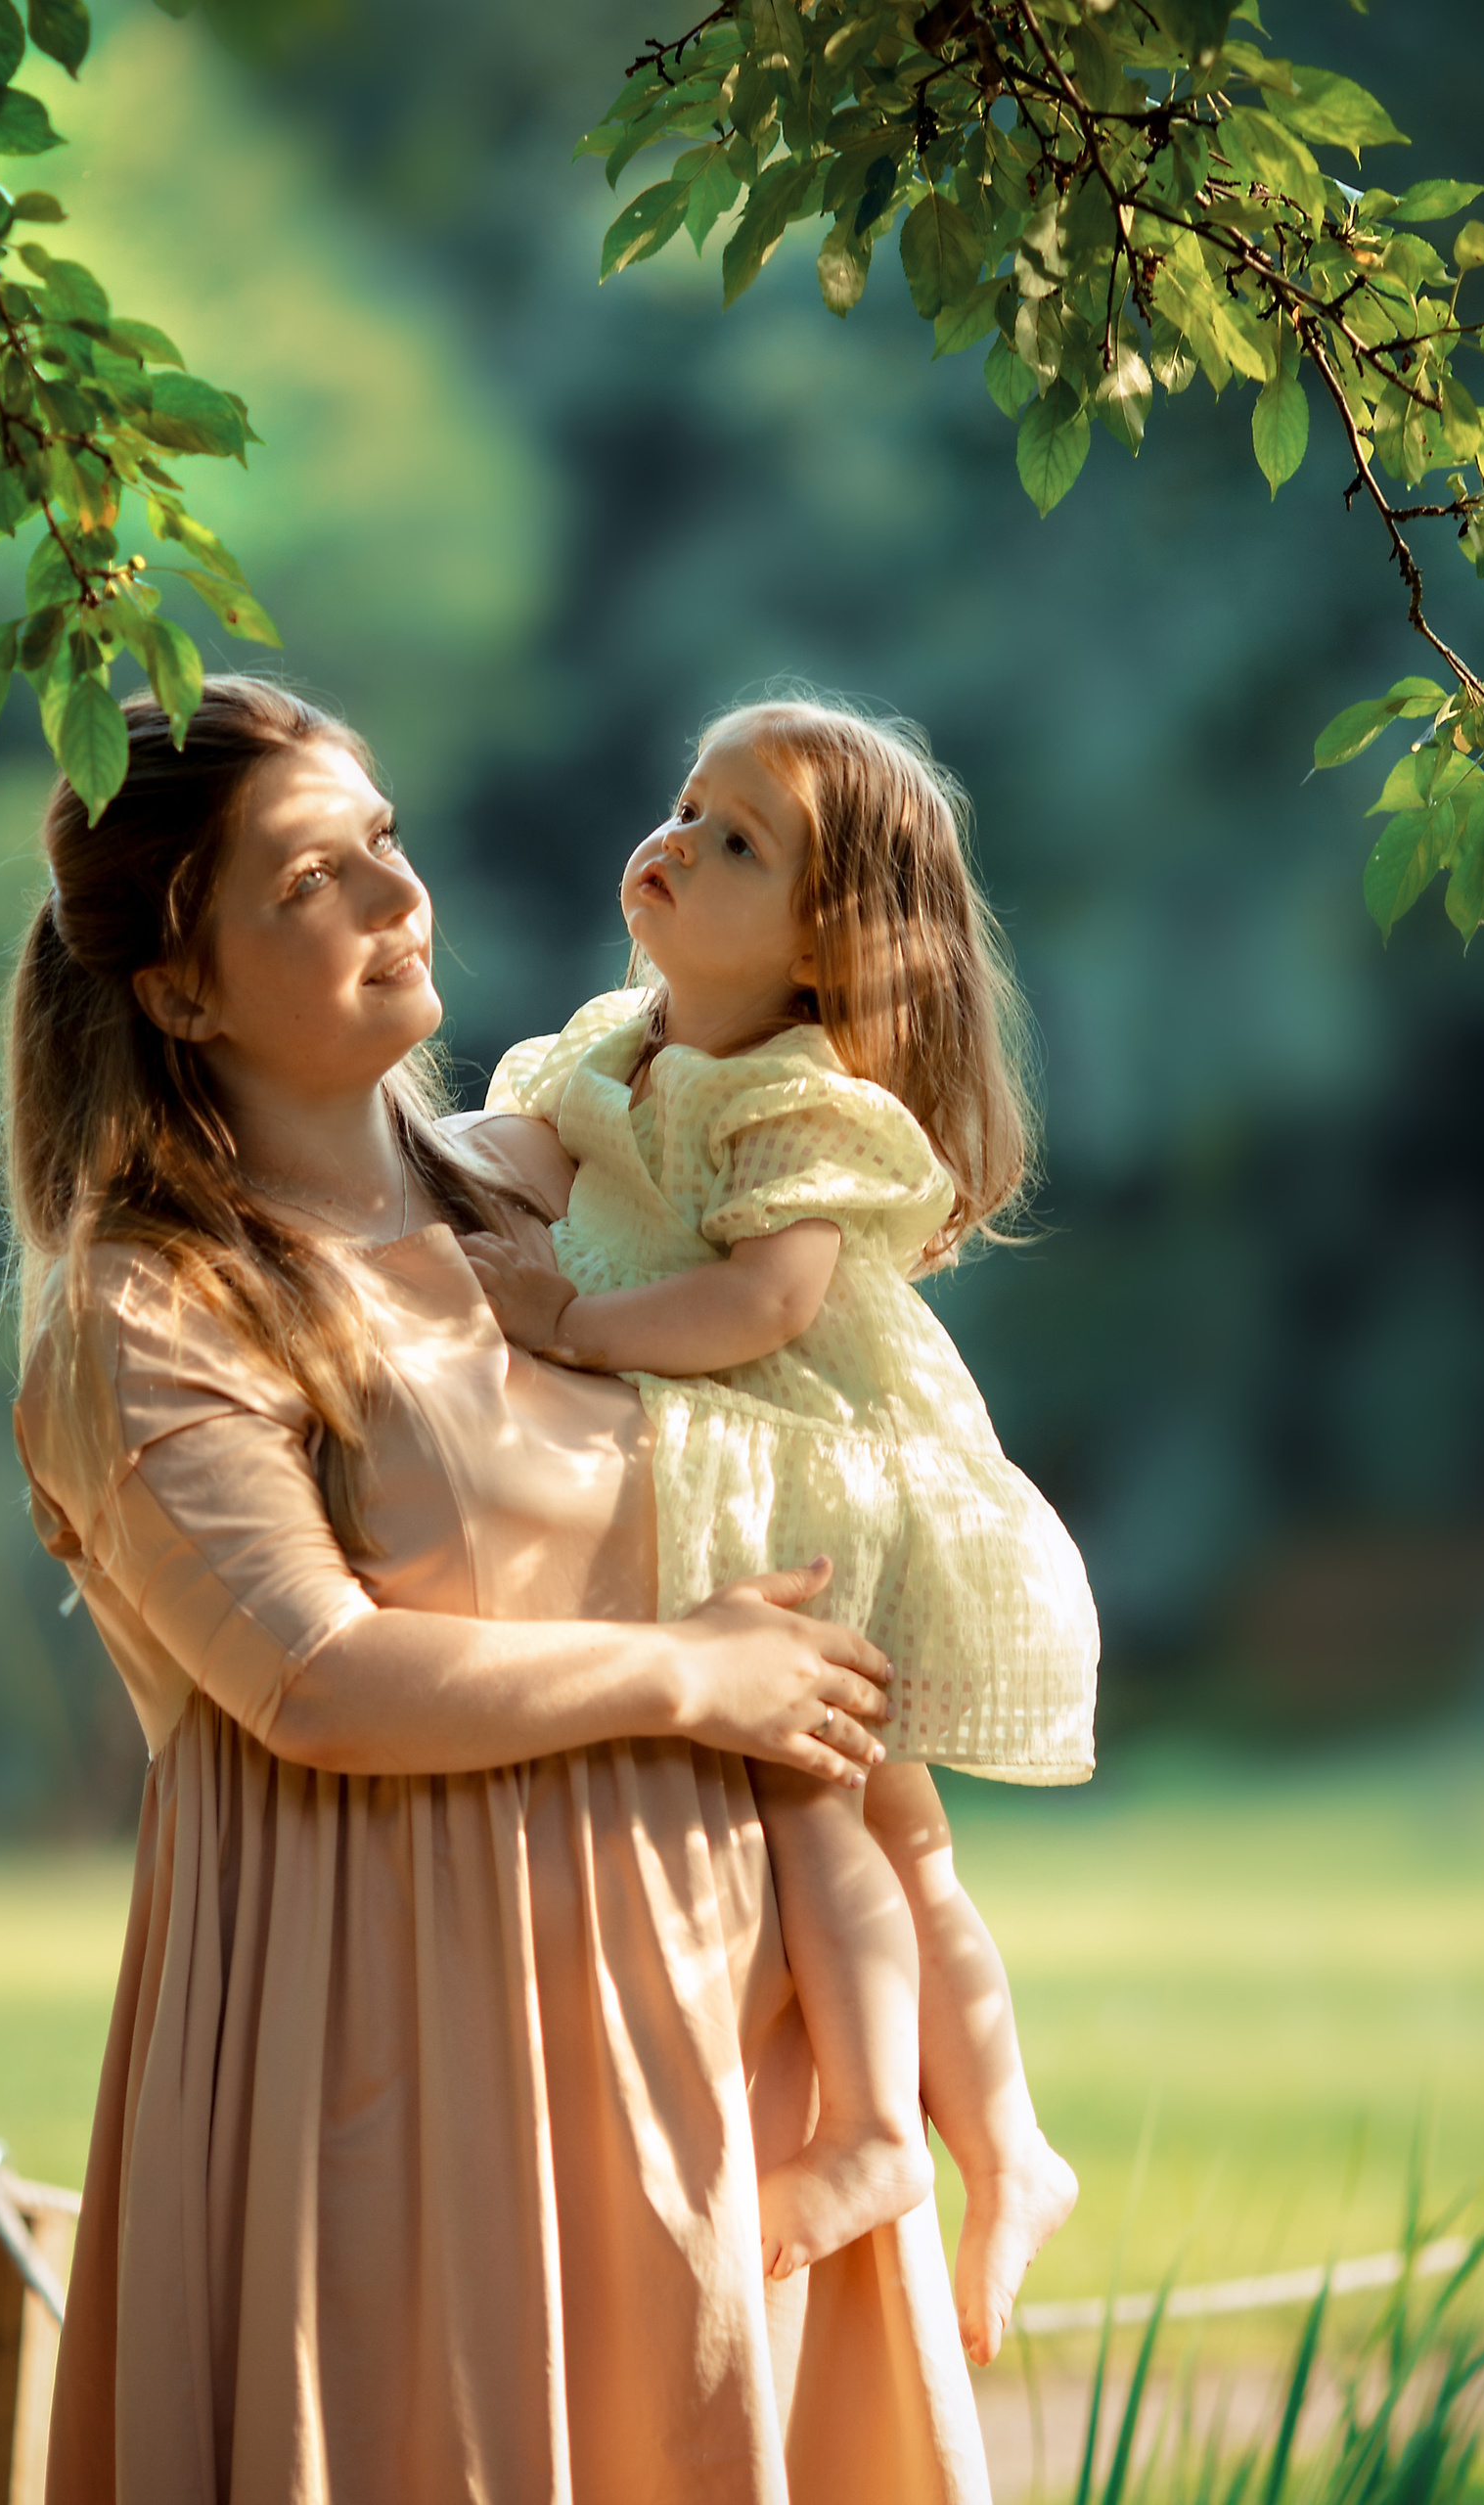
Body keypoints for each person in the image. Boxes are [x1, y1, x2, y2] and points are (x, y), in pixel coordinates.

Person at [3, 677, 989, 2503]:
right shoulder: (153, 1309)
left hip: (718, 2056)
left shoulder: (553, 1200)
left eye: (384, 841)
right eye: (312, 881)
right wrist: (685, 1678)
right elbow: (314, 1679)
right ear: (179, 984)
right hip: (390, 2063)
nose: (396, 897)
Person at [467, 697, 1092, 2363]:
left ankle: (888, 2132)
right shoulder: (620, 1040)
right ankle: (1015, 2144)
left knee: (835, 1802)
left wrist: (570, 1331)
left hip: (801, 1470)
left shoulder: (796, 1095)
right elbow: (509, 1152)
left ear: (828, 949)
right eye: (685, 804)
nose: (674, 839)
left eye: (737, 841)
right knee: (903, 1835)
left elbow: (768, 1299)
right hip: (719, 1461)